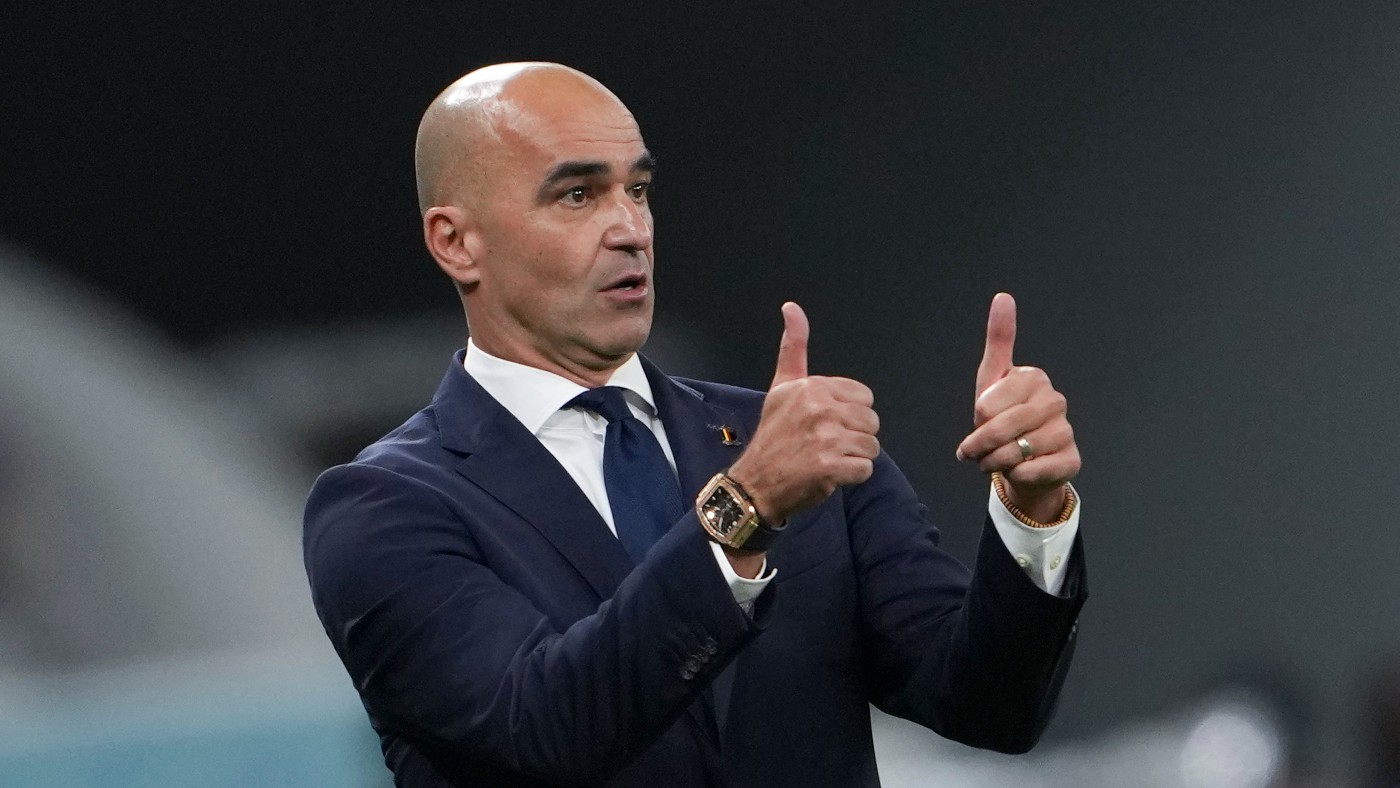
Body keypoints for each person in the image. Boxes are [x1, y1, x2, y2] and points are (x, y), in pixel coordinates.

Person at [303, 62, 1087, 788]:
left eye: (638, 189)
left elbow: (989, 707)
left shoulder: (793, 448)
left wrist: (1034, 512)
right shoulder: (381, 507)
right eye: (578, 195)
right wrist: (743, 511)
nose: (631, 228)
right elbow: (541, 730)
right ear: (457, 242)